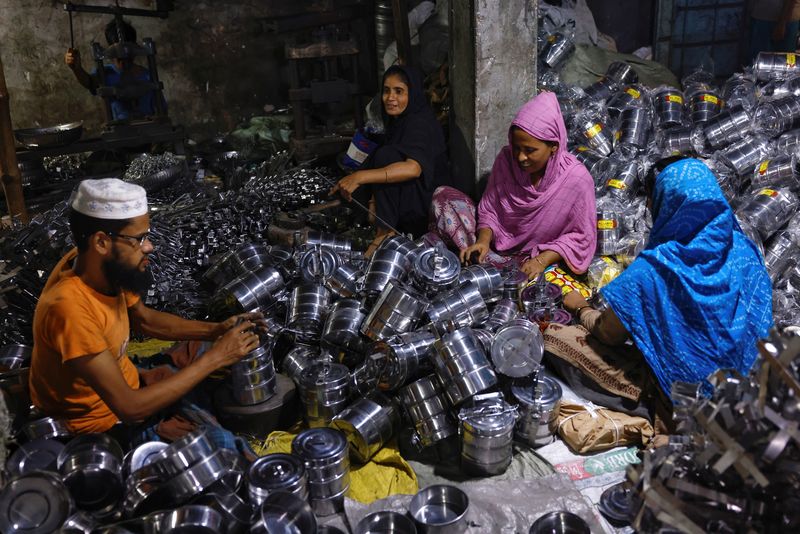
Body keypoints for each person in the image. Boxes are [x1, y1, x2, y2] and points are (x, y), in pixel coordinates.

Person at [29, 178, 262, 448]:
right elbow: (129, 408)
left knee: (201, 347)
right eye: (139, 239)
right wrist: (217, 357)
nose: (149, 246)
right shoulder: (69, 308)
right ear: (102, 242)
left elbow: (144, 319)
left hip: (126, 379)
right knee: (222, 447)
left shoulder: (99, 265)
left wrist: (217, 330)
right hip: (102, 423)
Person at [559, 157, 773, 407]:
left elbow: (608, 333)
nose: (648, 205)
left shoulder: (655, 269)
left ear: (666, 204)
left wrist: (581, 308)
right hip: (756, 385)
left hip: (693, 400)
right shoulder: (743, 249)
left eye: (651, 198)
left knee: (559, 339)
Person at [429, 91, 597, 281]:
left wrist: (541, 261)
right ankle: (485, 260)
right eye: (516, 147)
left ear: (554, 147)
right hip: (495, 245)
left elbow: (581, 236)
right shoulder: (506, 160)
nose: (520, 157)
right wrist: (483, 241)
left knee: (543, 283)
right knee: (443, 196)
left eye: (530, 150)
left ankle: (493, 271)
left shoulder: (576, 179)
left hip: (533, 258)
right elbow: (490, 209)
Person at [330, 65, 450, 253]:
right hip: (410, 196)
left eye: (399, 91)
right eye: (386, 91)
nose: (390, 98)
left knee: (386, 156)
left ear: (413, 94)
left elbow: (413, 169)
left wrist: (359, 177)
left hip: (426, 205)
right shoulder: (401, 120)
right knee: (380, 153)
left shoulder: (419, 123)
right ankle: (369, 215)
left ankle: (385, 231)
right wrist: (372, 199)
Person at [65, 18, 159, 121]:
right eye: (119, 59)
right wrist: (77, 69)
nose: (123, 62)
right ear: (111, 50)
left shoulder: (147, 75)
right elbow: (89, 83)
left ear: (134, 49)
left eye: (128, 58)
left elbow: (160, 107)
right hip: (119, 130)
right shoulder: (105, 73)